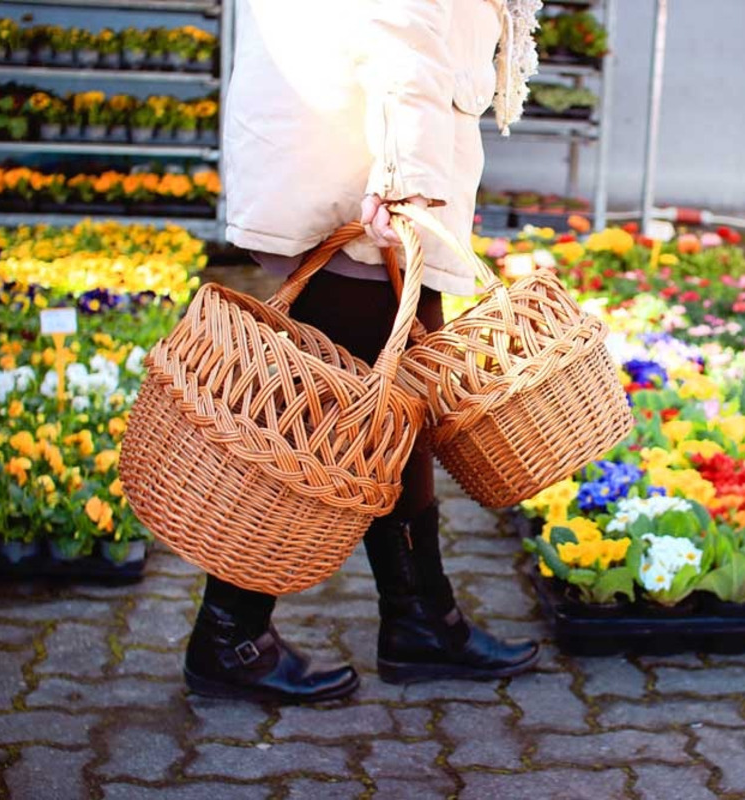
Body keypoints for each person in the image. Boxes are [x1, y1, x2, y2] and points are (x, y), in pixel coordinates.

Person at [183, 0, 544, 704]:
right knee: (321, 426)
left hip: (353, 153)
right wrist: (408, 175)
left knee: (388, 410)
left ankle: (418, 619)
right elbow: (398, 23)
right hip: (365, 172)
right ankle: (231, 635)